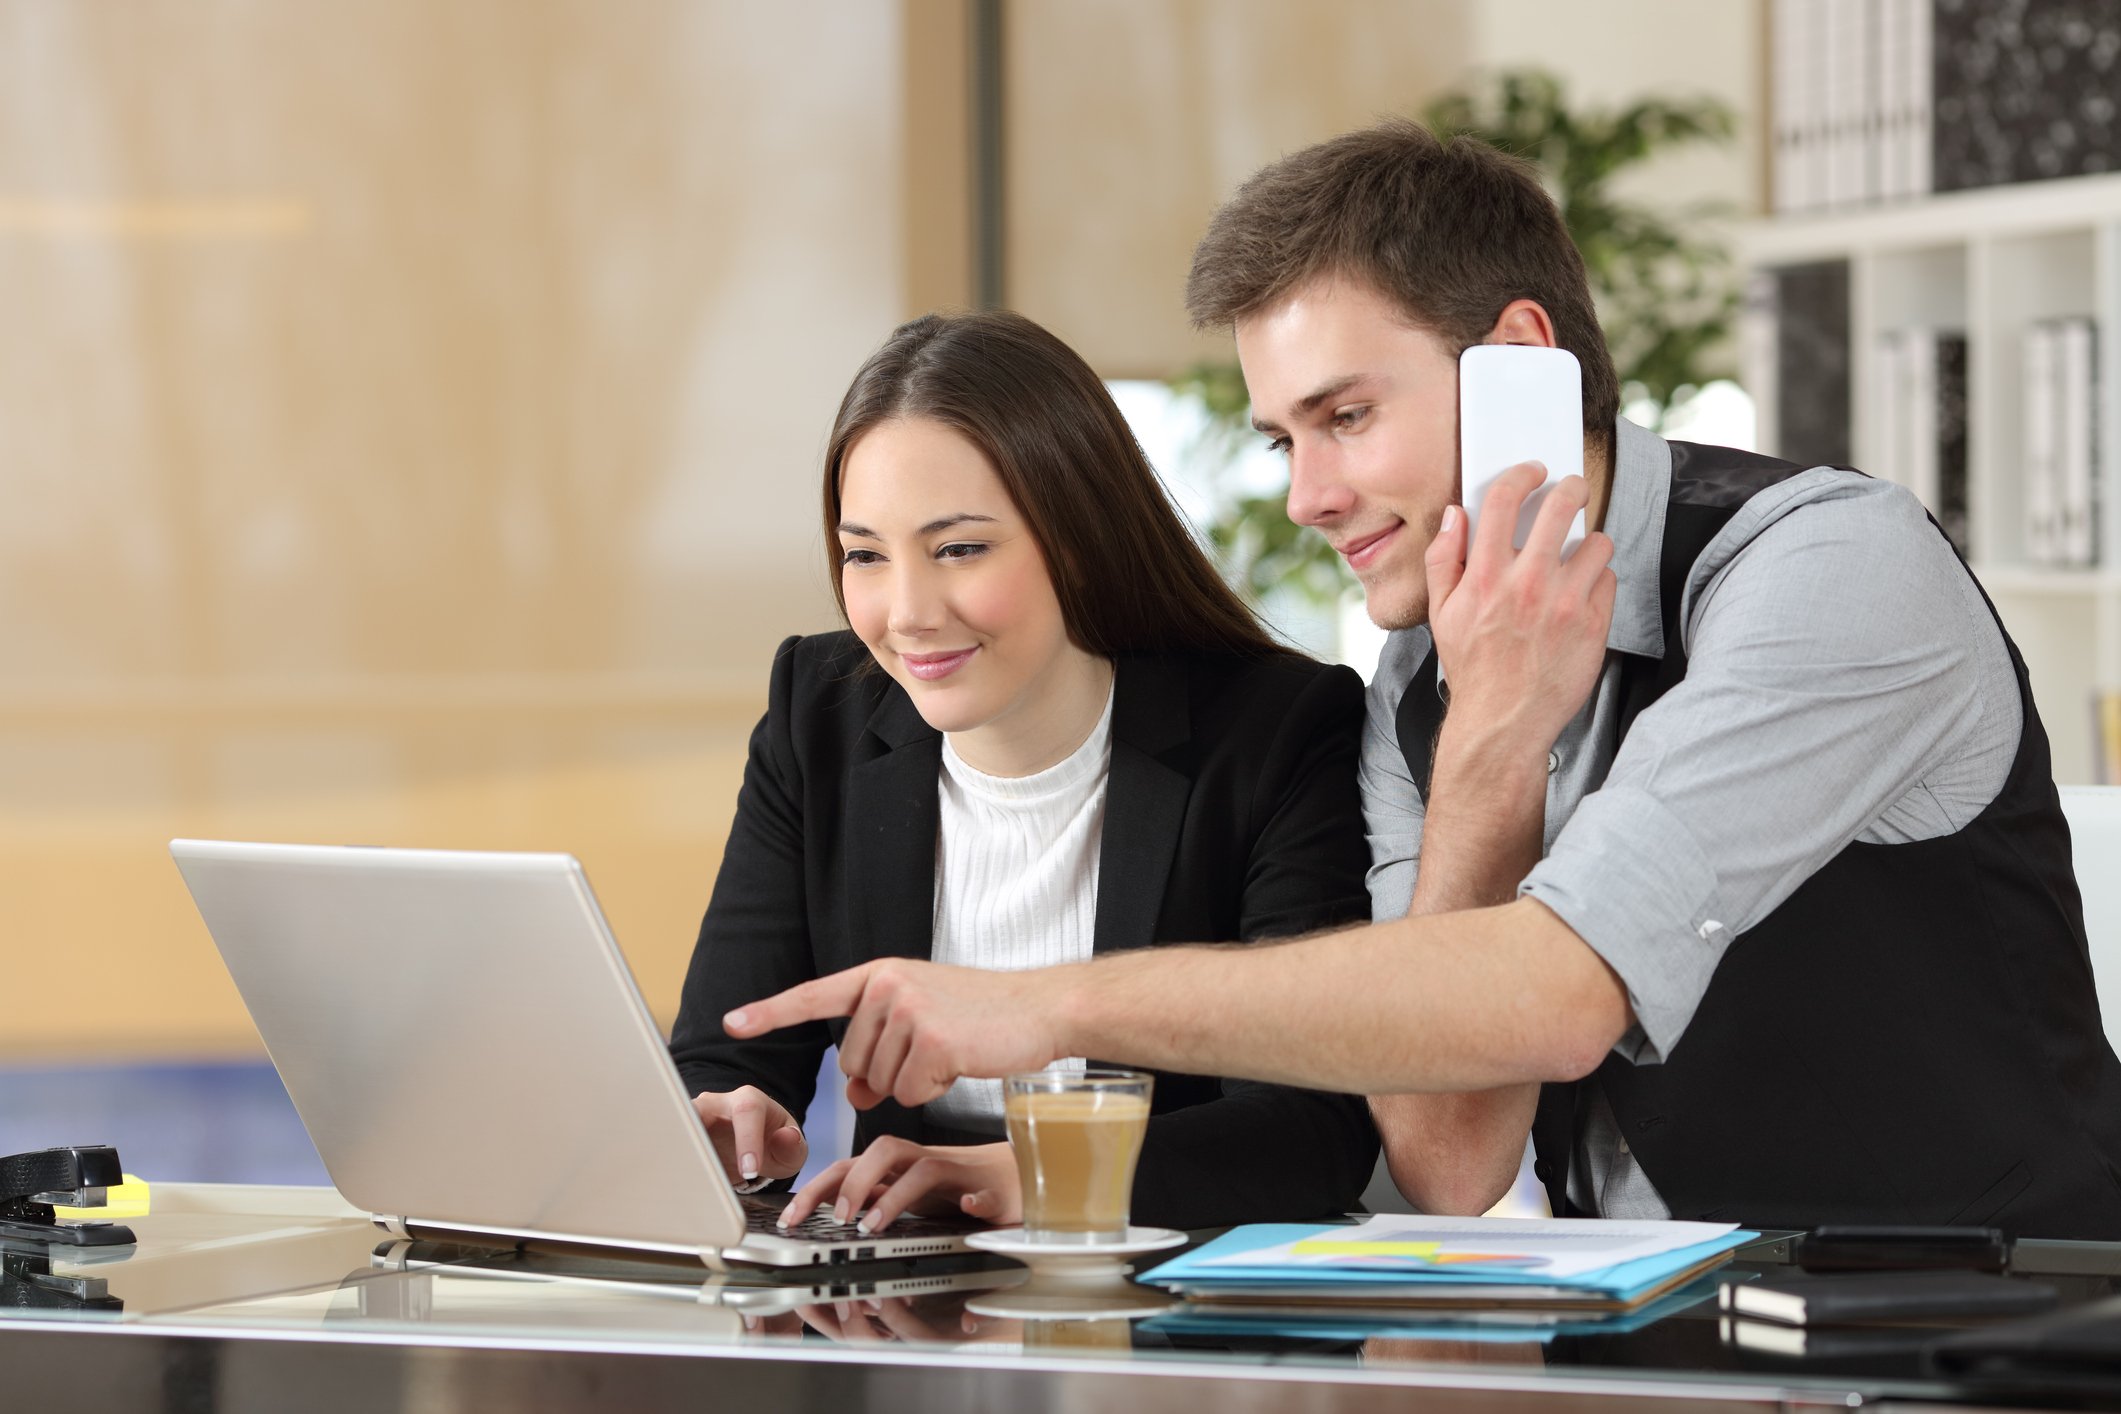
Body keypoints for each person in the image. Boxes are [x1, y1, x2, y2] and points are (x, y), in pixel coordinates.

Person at [725, 119, 2121, 1238]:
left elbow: (1561, 992)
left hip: (1982, 1324)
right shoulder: (1415, 680)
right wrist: (1493, 742)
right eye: (1284, 439)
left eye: (1344, 416)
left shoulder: (1826, 569)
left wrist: (1049, 1004)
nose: (1307, 494)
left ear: (1519, 363)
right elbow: (1450, 1157)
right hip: (1664, 1334)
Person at [667, 309, 1379, 1236]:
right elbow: (729, 1052)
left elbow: (1310, 1132)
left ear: (1077, 537)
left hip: (1177, 1322)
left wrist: (1022, 1178)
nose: (907, 612)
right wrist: (731, 1116)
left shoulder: (1273, 730)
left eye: (958, 549)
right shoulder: (820, 713)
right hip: (910, 1309)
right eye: (865, 556)